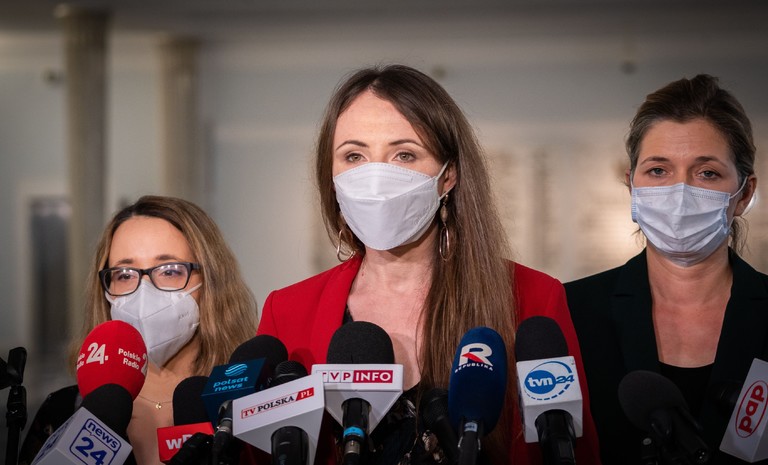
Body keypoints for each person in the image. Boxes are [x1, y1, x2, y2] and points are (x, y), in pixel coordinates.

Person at [257, 64, 601, 465]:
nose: (376, 178)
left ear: (448, 176)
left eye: (404, 155)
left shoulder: (533, 297)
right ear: (330, 176)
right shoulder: (287, 312)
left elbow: (575, 452)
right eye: (354, 156)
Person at [565, 74, 763, 464]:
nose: (680, 192)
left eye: (707, 173)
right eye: (658, 170)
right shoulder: (572, 310)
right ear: (632, 186)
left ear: (744, 194)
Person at [19, 195, 259, 465]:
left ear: (210, 281)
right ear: (106, 290)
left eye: (169, 271)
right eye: (124, 274)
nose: (144, 292)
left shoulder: (247, 405)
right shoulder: (66, 412)